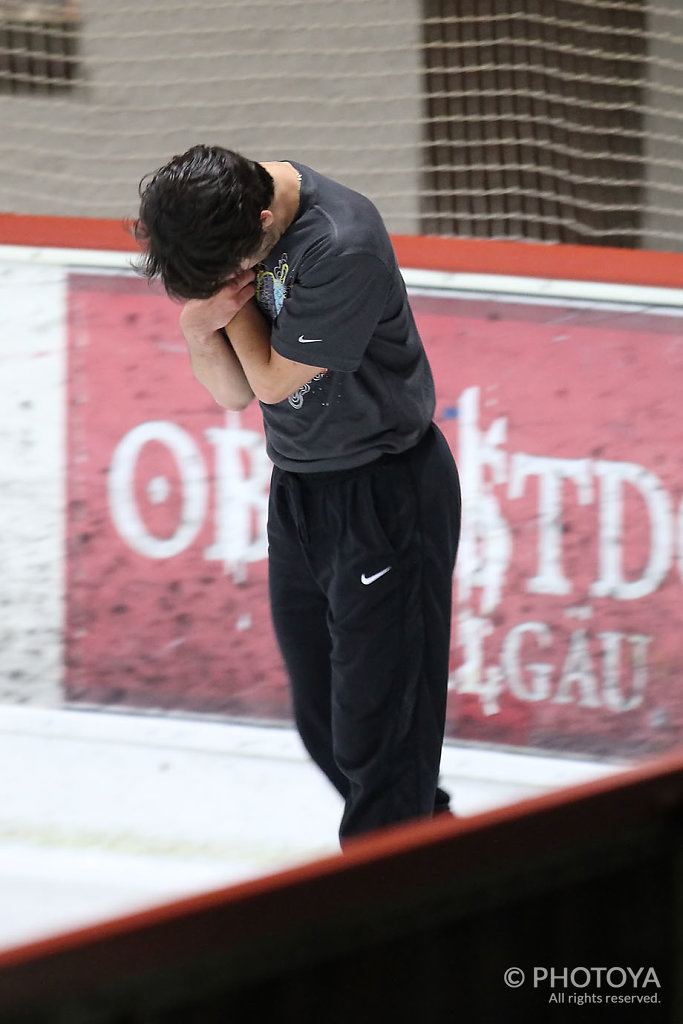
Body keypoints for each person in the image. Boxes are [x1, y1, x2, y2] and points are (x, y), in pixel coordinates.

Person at [134, 145, 461, 844]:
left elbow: (275, 382)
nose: (228, 282)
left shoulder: (342, 243)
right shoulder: (225, 227)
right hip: (301, 489)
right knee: (325, 722)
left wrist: (218, 312)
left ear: (260, 220)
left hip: (385, 493)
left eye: (230, 271)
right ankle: (435, 844)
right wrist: (198, 328)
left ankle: (393, 905)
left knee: (382, 736)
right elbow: (230, 392)